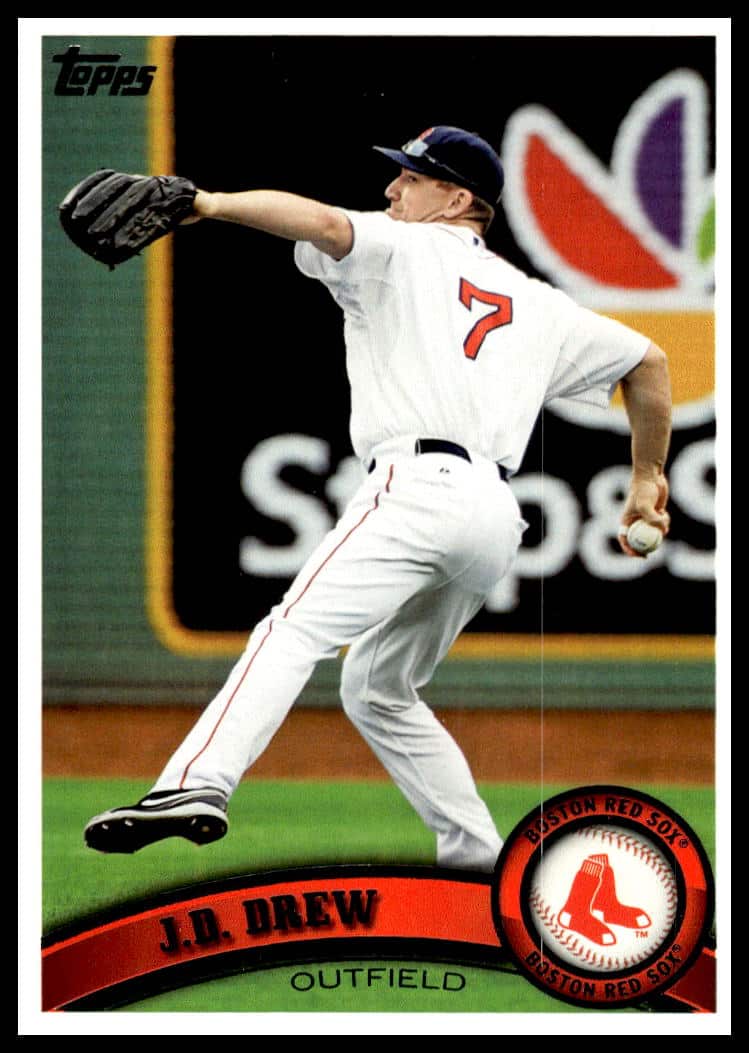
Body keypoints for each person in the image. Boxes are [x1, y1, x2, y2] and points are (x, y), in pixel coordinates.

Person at [84, 126, 672, 871]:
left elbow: (323, 223)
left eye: (412, 178)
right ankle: (478, 861)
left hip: (416, 485)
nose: (393, 190)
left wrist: (208, 203)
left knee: (291, 629)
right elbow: (649, 363)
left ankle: (194, 783)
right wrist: (647, 476)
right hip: (494, 517)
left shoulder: (403, 246)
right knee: (379, 687)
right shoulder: (537, 302)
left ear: (456, 200)